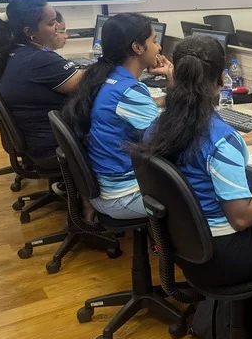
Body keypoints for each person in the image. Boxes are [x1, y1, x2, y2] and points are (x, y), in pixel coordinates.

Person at [131, 36, 252, 286]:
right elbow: (242, 218)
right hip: (223, 253)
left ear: (175, 76)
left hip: (187, 246)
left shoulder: (159, 125)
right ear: (220, 83)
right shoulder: (221, 140)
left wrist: (240, 142)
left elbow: (197, 154)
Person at [62, 13, 176, 218]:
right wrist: (173, 78)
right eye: (155, 41)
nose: (159, 48)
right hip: (123, 196)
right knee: (203, 190)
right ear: (137, 47)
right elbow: (172, 139)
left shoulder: (107, 78)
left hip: (105, 188)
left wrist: (169, 81)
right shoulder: (129, 92)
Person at [0, 0, 83, 163]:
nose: (58, 27)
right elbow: (84, 83)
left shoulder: (14, 54)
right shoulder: (36, 60)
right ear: (29, 32)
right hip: (55, 145)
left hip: (37, 139)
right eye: (51, 23)